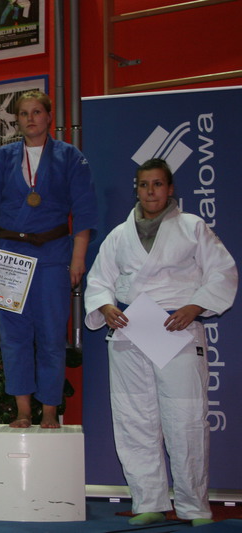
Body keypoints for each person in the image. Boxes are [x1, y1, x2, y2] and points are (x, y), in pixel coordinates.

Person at [84, 159, 237, 528]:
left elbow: (222, 272)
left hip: (175, 329)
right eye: (143, 185)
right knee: (134, 418)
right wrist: (105, 306)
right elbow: (99, 280)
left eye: (157, 184)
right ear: (136, 189)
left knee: (185, 419)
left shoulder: (192, 227)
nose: (150, 191)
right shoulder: (119, 235)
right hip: (130, 329)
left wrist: (196, 305)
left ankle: (193, 506)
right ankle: (147, 501)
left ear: (170, 189)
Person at [0, 90, 97, 428]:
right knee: (13, 337)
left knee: (52, 335)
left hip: (53, 254)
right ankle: (23, 410)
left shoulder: (70, 157)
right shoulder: (1, 159)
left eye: (37, 111)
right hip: (9, 255)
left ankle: (50, 410)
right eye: (24, 113)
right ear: (18, 119)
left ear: (49, 116)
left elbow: (84, 210)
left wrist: (78, 257)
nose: (30, 118)